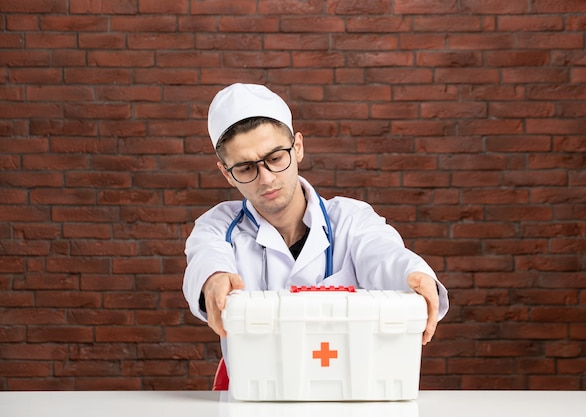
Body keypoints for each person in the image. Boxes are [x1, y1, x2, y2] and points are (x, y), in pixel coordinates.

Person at [182, 83, 449, 359]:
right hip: (255, 391)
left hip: (345, 388)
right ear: (226, 174)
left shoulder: (351, 219)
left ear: (297, 147)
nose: (267, 178)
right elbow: (206, 257)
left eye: (275, 158)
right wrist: (212, 279)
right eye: (246, 168)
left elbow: (382, 254)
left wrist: (413, 273)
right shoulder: (218, 226)